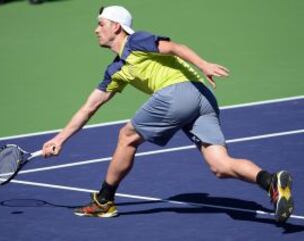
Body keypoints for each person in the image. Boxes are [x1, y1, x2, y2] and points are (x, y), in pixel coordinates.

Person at [42, 6, 294, 222]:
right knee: (220, 165)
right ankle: (270, 181)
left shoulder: (135, 41)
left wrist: (204, 64)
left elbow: (174, 47)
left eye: (101, 24)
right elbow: (89, 107)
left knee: (126, 136)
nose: (96, 29)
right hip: (203, 98)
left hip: (178, 93)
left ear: (116, 27)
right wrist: (59, 139)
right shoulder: (116, 70)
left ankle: (104, 200)